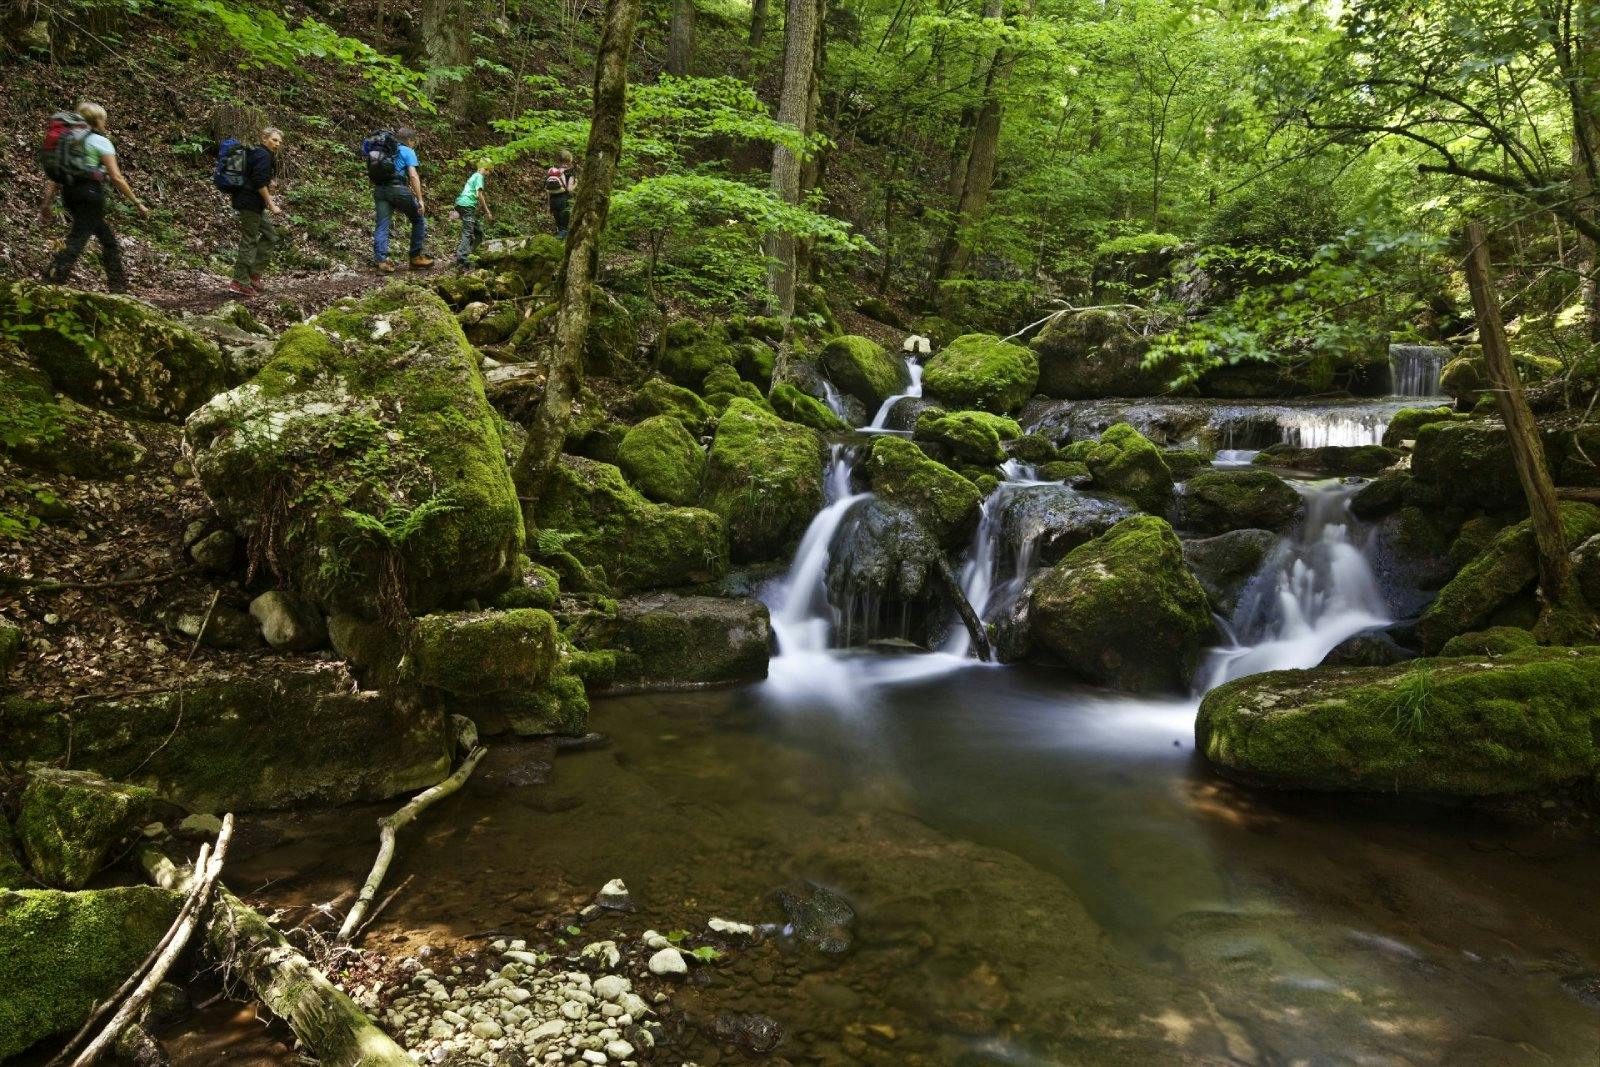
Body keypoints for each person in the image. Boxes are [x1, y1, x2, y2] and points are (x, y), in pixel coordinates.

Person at [40, 102, 147, 292]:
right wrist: (137, 203)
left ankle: (118, 288)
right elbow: (116, 177)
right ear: (98, 120)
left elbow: (55, 179)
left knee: (107, 239)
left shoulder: (69, 141)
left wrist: (46, 204)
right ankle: (50, 282)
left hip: (70, 194)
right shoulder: (100, 141)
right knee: (78, 238)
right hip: (90, 194)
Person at [229, 126, 285, 297]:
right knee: (249, 240)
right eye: (274, 140)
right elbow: (259, 182)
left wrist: (270, 185)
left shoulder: (259, 154)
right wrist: (272, 205)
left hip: (254, 204)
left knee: (271, 236)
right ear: (264, 138)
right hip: (250, 203)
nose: (277, 144)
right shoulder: (262, 154)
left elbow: (257, 178)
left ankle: (253, 275)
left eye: (279, 142)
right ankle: (239, 281)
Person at [374, 127, 433, 272]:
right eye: (414, 141)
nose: (414, 144)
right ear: (410, 140)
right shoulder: (408, 151)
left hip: (380, 189)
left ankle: (381, 262)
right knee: (418, 219)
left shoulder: (384, 150)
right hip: (397, 189)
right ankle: (415, 258)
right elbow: (413, 176)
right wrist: (420, 200)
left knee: (382, 225)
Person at [453, 159, 493, 268]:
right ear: (485, 169)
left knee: (479, 233)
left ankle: (471, 253)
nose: (488, 173)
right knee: (468, 232)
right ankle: (462, 257)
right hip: (467, 205)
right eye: (488, 171)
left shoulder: (474, 175)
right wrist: (487, 211)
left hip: (461, 204)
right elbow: (479, 195)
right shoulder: (479, 177)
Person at [546, 150, 577, 238]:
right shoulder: (570, 172)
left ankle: (560, 233)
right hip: (564, 199)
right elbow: (569, 189)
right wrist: (576, 183)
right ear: (569, 159)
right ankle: (563, 236)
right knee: (565, 222)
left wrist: (548, 204)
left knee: (558, 221)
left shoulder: (553, 171)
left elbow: (547, 189)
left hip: (553, 199)